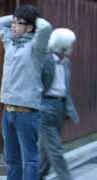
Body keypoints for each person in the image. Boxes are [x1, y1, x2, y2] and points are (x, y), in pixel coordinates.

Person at [0, 4, 52, 180]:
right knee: (12, 159)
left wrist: (31, 17)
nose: (12, 26)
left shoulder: (37, 48)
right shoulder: (10, 43)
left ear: (29, 27)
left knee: (30, 160)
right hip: (7, 111)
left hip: (27, 113)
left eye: (18, 23)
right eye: (12, 22)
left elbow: (45, 27)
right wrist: (18, 16)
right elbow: (0, 22)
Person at [38, 28, 80, 180]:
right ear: (61, 45)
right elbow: (37, 84)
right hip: (46, 107)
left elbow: (66, 89)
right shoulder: (45, 60)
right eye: (70, 45)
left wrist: (69, 110)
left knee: (45, 148)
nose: (72, 48)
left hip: (60, 106)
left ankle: (37, 175)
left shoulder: (66, 62)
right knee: (55, 148)